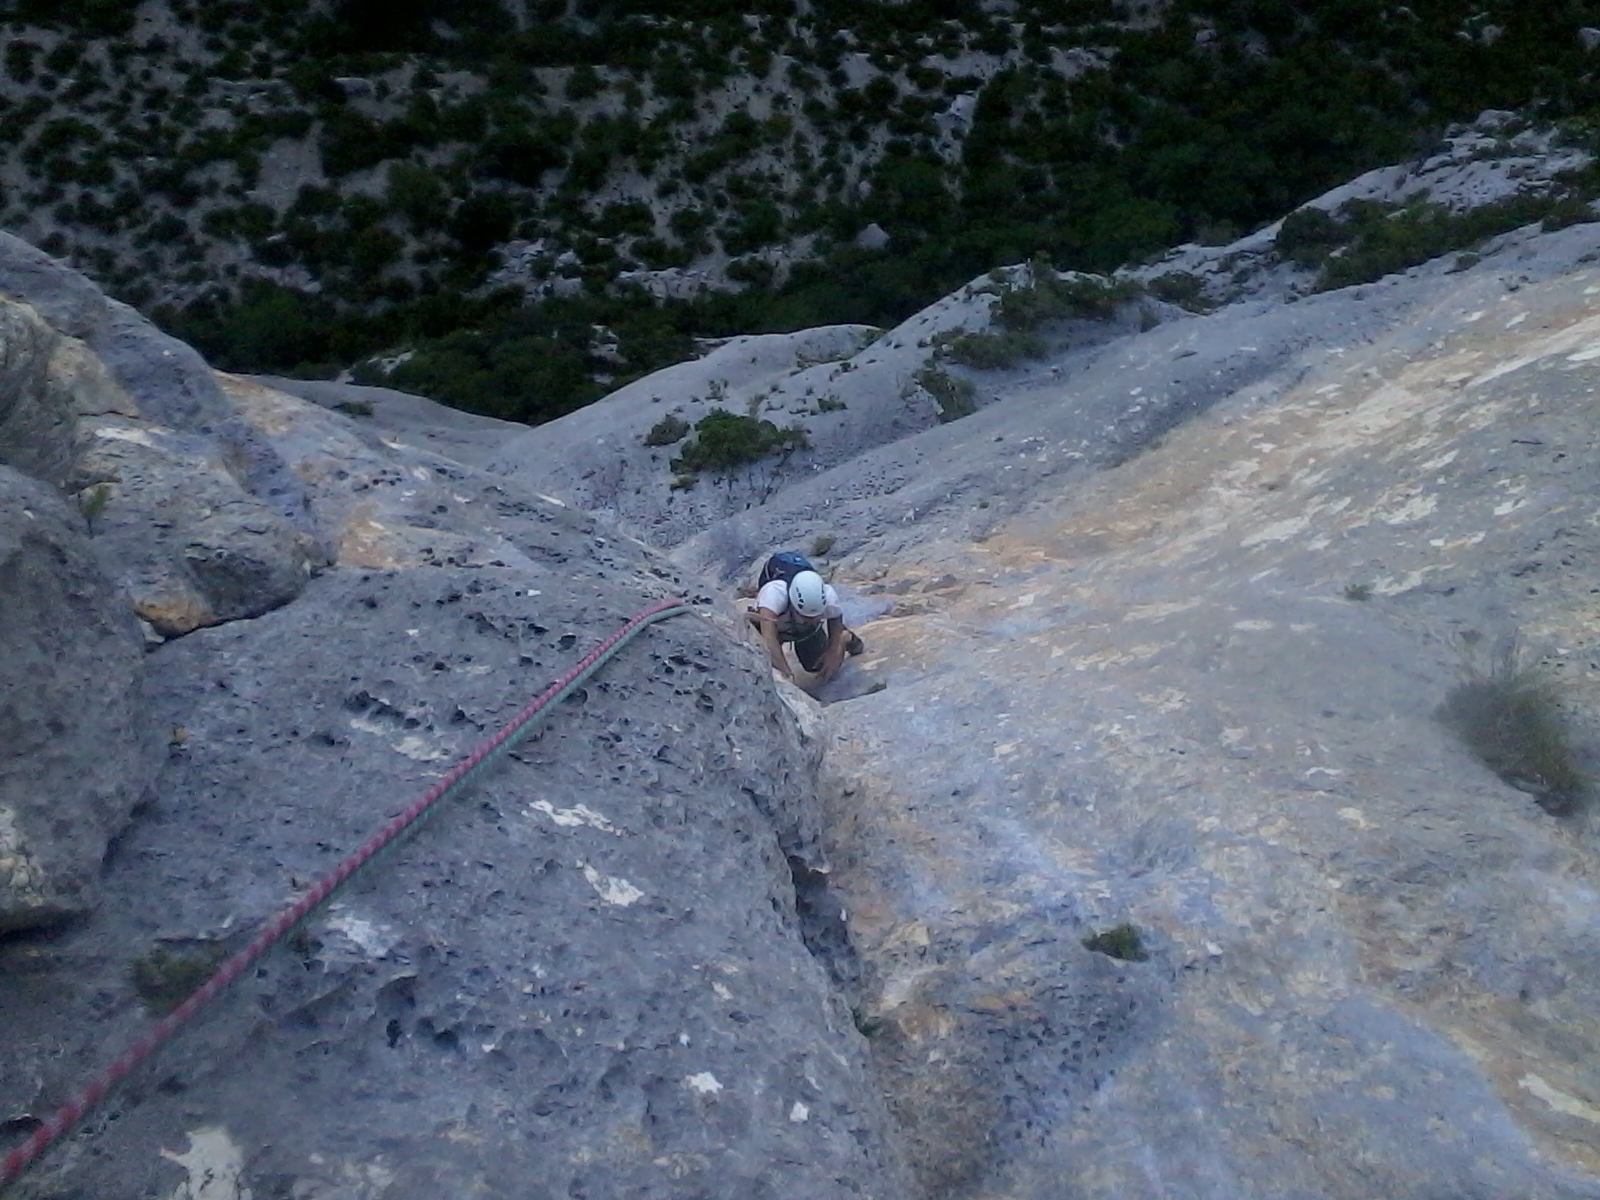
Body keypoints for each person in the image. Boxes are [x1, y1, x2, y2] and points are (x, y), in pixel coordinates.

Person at [745, 552, 863, 692]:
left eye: (815, 616)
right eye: (807, 616)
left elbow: (835, 621)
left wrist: (834, 650)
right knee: (758, 649)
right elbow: (768, 637)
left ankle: (847, 637)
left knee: (818, 665)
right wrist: (785, 672)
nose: (811, 620)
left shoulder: (829, 597)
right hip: (779, 621)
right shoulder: (773, 594)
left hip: (802, 628)